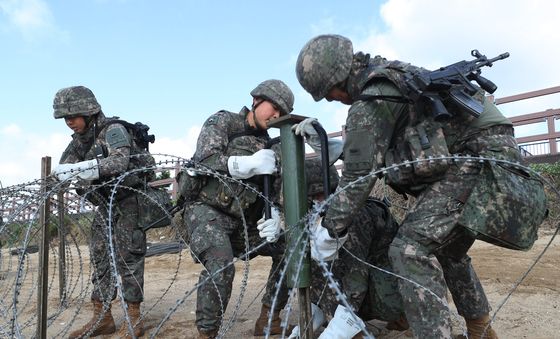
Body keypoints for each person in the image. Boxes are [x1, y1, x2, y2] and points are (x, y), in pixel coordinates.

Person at [293, 35, 547, 338]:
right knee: (447, 249)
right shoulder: (391, 77)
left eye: (329, 93)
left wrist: (331, 230)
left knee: (408, 249)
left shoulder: (372, 98)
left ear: (338, 76)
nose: (334, 99)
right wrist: (343, 147)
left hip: (478, 161)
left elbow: (357, 180)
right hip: (487, 156)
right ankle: (480, 328)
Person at [182, 79, 294, 338]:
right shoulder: (223, 122)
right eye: (274, 106)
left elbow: (276, 186)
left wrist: (274, 214)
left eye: (282, 112)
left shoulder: (271, 145)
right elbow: (204, 160)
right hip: (206, 211)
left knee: (292, 245)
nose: (276, 115)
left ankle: (269, 318)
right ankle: (207, 333)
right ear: (256, 100)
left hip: (245, 222)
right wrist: (245, 164)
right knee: (221, 264)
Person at [51, 86, 154, 338]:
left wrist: (83, 169)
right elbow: (63, 169)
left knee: (128, 258)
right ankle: (103, 316)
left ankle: (133, 319)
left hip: (129, 201)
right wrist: (59, 175)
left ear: (89, 111)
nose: (69, 122)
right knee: (99, 257)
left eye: (73, 116)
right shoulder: (79, 141)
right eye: (65, 118)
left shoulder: (113, 130)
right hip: (105, 204)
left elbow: (119, 161)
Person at [289, 159, 407, 338]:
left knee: (336, 271)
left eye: (321, 194)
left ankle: (370, 324)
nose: (318, 200)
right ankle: (325, 314)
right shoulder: (320, 212)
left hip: (391, 290)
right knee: (319, 260)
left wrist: (343, 326)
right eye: (313, 196)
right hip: (377, 281)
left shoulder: (353, 215)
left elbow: (355, 273)